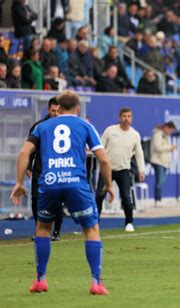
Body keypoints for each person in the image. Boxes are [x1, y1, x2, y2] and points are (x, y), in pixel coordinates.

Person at [10, 90, 114, 295]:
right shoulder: (85, 125)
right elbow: (103, 159)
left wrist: (19, 182)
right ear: (78, 107)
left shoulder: (42, 126)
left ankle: (40, 280)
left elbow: (24, 152)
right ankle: (96, 282)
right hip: (76, 182)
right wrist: (109, 184)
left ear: (57, 106)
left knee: (42, 229)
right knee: (91, 229)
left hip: (49, 182)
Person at [96, 107, 145, 232]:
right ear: (119, 117)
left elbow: (139, 154)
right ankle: (95, 223)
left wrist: (142, 170)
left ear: (131, 118)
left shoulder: (135, 135)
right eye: (124, 116)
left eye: (129, 116)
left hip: (123, 170)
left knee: (127, 198)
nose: (126, 119)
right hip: (107, 169)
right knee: (99, 197)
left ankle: (129, 222)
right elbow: (100, 148)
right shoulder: (110, 130)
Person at [26, 97, 63, 241]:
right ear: (48, 110)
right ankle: (39, 229)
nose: (55, 113)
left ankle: (56, 232)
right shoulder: (38, 126)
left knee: (57, 201)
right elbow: (29, 149)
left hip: (58, 169)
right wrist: (28, 167)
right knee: (35, 199)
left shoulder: (64, 127)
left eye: (58, 111)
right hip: (40, 169)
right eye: (53, 110)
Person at [150, 121, 176, 207]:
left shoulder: (165, 136)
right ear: (166, 127)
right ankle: (157, 200)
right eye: (170, 130)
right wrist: (170, 147)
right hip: (158, 161)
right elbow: (158, 147)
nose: (170, 132)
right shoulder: (158, 134)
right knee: (159, 182)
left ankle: (159, 199)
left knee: (161, 181)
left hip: (164, 162)